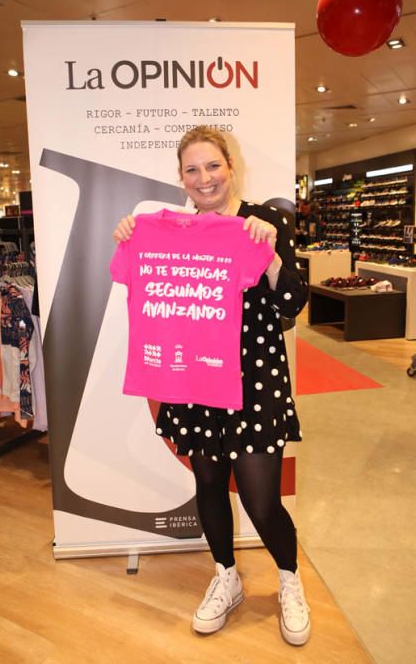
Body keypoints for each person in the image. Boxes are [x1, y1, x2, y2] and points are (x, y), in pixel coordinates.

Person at [113, 125, 310, 646]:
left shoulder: (265, 222)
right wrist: (132, 236)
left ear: (231, 167)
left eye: (212, 166)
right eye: (192, 169)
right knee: (206, 484)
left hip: (255, 376)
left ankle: (289, 579)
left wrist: (268, 258)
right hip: (195, 374)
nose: (204, 178)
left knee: (261, 500)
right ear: (181, 177)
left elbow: (291, 305)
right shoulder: (169, 229)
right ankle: (226, 575)